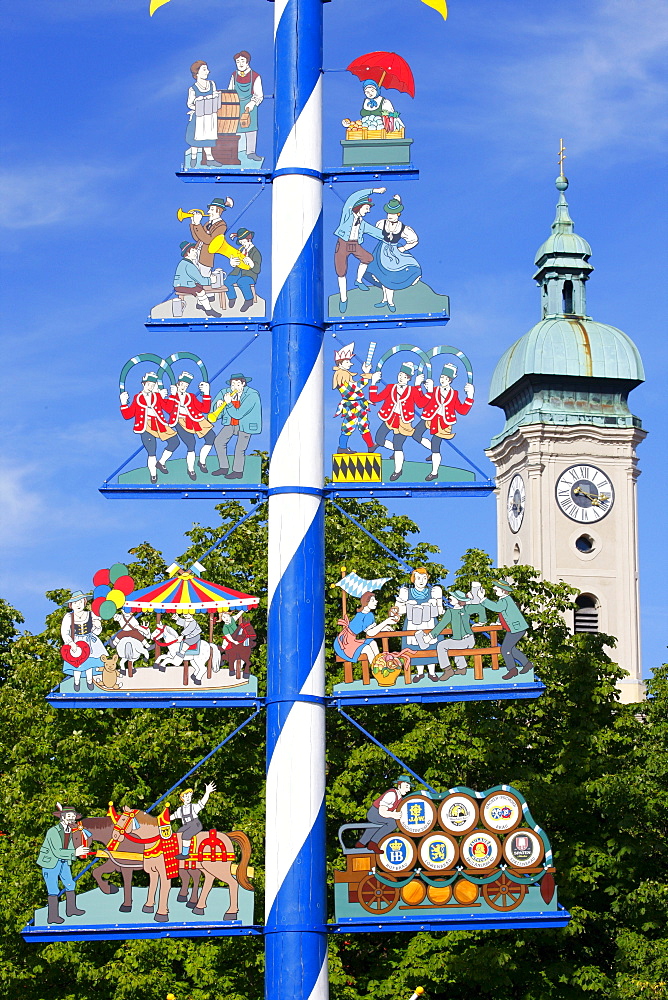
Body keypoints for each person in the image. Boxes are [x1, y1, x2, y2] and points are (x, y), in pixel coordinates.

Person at [414, 362, 475, 481]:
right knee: (416, 434)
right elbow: (421, 403)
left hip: (443, 422)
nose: (443, 380)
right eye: (442, 377)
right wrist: (421, 387)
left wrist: (470, 395)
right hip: (429, 417)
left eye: (446, 378)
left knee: (436, 446)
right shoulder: (434, 389)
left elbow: (462, 410)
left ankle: (434, 471)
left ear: (450, 380)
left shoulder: (454, 394)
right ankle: (432, 452)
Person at [363, 195, 421, 313]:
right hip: (381, 252)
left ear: (398, 214)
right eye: (389, 214)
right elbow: (375, 233)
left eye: (393, 214)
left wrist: (404, 248)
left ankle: (390, 301)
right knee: (382, 276)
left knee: (390, 277)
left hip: (394, 253)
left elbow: (414, 240)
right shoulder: (381, 223)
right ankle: (385, 299)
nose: (390, 217)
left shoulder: (403, 228)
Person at [369, 362, 426, 481]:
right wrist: (373, 382)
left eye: (404, 376)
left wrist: (422, 388)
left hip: (404, 421)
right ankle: (395, 452)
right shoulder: (390, 387)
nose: (401, 378)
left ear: (409, 378)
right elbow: (375, 398)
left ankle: (397, 470)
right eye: (400, 375)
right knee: (379, 438)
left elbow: (421, 404)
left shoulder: (413, 390)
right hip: (389, 417)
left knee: (398, 445)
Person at [334, 186, 386, 313]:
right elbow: (353, 197)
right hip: (343, 244)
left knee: (368, 258)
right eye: (367, 208)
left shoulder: (362, 223)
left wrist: (392, 237)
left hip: (354, 244)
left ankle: (358, 280)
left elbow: (375, 232)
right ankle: (343, 299)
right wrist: (374, 190)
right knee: (341, 272)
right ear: (360, 206)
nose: (368, 211)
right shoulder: (348, 214)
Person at [36, 804, 90, 924]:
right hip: (50, 862)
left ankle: (71, 909)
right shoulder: (53, 831)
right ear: (63, 817)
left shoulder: (69, 830)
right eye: (70, 816)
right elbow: (56, 851)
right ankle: (52, 917)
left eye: (74, 816)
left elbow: (70, 846)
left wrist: (77, 853)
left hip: (64, 861)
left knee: (70, 884)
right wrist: (75, 852)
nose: (72, 818)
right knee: (53, 889)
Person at [418, 589, 488, 681]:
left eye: (452, 597)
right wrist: (431, 636)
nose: (449, 598)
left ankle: (448, 670)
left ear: (458, 600)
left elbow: (480, 608)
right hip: (457, 640)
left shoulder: (466, 609)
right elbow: (441, 625)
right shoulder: (450, 612)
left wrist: (481, 622)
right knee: (453, 645)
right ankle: (461, 668)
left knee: (442, 646)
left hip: (468, 639)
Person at [209, 373, 262, 479]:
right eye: (232, 384)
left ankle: (238, 471)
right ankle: (223, 467)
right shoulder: (225, 392)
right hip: (230, 423)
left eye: (237, 384)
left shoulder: (252, 395)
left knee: (240, 448)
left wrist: (228, 403)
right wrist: (218, 404)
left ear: (243, 384)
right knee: (219, 441)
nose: (234, 387)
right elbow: (213, 412)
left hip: (245, 425)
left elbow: (238, 414)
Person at [395, 568, 444, 682]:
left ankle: (432, 672)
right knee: (415, 647)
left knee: (432, 646)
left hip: (429, 623)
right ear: (413, 579)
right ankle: (420, 672)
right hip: (413, 624)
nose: (421, 581)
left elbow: (440, 610)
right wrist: (405, 607)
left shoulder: (433, 592)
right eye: (418, 578)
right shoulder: (406, 592)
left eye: (424, 578)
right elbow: (398, 610)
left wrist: (435, 606)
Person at [479, 581, 535, 680]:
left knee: (505, 649)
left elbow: (497, 608)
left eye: (496, 588)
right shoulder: (504, 600)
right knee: (510, 648)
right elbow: (504, 614)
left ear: (503, 591)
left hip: (517, 629)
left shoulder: (505, 600)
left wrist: (483, 599)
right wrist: (498, 623)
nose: (494, 590)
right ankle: (527, 664)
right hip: (515, 628)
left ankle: (512, 670)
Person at [165, 371, 214, 480]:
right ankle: (191, 469)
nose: (184, 387)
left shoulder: (190, 396)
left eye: (186, 385)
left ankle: (201, 461)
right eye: (182, 384)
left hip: (195, 420)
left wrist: (206, 393)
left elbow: (204, 409)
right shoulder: (173, 396)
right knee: (191, 444)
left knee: (211, 437)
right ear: (177, 384)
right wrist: (172, 395)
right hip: (180, 421)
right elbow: (168, 409)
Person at [332, 342, 376, 453]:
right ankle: (342, 447)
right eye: (347, 361)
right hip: (351, 407)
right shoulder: (341, 376)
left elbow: (356, 392)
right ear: (340, 363)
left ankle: (371, 446)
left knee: (363, 425)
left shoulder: (345, 375)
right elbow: (355, 388)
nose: (350, 364)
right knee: (348, 427)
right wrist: (367, 375)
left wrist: (364, 400)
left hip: (359, 405)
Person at [333, 591, 400, 664]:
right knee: (367, 648)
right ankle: (376, 670)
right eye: (372, 600)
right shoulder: (361, 616)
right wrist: (385, 622)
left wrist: (384, 627)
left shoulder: (370, 615)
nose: (376, 602)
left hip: (354, 640)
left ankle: (380, 665)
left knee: (373, 643)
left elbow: (371, 629)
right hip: (345, 643)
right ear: (366, 602)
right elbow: (370, 633)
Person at [60, 591, 108, 692]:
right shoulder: (68, 617)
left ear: (85, 602)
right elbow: (65, 633)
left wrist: (97, 626)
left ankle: (89, 681)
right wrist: (71, 643)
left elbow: (97, 632)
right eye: (75, 603)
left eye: (81, 602)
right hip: (76, 642)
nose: (78, 605)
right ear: (71, 605)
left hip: (90, 641)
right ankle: (77, 681)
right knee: (77, 663)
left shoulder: (91, 615)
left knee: (89, 662)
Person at [355, 776, 412, 853]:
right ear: (399, 785)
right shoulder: (391, 794)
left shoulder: (399, 798)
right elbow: (382, 812)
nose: (408, 789)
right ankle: (373, 843)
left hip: (379, 815)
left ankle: (361, 844)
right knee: (392, 823)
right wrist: (394, 815)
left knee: (375, 828)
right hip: (374, 813)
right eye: (406, 786)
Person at [228, 51, 263, 161]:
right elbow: (230, 91)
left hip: (249, 105)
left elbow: (259, 94)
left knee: (251, 129)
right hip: (236, 105)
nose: (240, 63)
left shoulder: (255, 76)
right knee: (236, 129)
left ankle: (251, 152)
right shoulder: (234, 75)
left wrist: (252, 103)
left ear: (247, 62)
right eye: (238, 61)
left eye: (242, 61)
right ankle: (237, 153)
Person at [185, 61, 221, 169]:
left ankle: (209, 158)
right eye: (204, 69)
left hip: (209, 114)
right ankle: (194, 157)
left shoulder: (211, 84)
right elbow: (190, 104)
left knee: (208, 136)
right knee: (196, 137)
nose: (207, 71)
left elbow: (215, 95)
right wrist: (199, 103)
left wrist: (213, 99)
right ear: (197, 72)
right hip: (199, 115)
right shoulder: (193, 88)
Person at [173, 241, 222, 319]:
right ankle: (209, 310)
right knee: (200, 291)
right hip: (182, 285)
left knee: (200, 287)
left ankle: (200, 304)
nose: (195, 252)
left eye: (195, 250)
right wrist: (211, 280)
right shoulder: (188, 265)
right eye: (193, 250)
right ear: (187, 253)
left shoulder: (187, 262)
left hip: (186, 283)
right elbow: (200, 279)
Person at [189, 196, 235, 277]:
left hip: (205, 258)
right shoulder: (208, 224)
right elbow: (198, 238)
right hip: (197, 254)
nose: (209, 212)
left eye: (212, 209)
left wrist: (198, 224)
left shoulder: (221, 225)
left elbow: (209, 240)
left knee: (204, 279)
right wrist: (193, 224)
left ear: (218, 210)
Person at [173, 782, 216, 858]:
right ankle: (179, 851)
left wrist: (207, 792)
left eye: (189, 796)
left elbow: (202, 802)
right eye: (186, 796)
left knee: (186, 835)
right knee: (178, 833)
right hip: (186, 825)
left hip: (195, 824)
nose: (188, 797)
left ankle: (185, 854)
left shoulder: (193, 807)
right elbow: (173, 816)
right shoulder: (180, 809)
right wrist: (161, 819)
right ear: (182, 798)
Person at [224, 228, 262, 312]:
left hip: (249, 274)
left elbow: (257, 269)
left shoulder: (255, 252)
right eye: (241, 242)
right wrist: (232, 263)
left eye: (243, 241)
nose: (242, 244)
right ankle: (232, 297)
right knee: (227, 281)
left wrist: (251, 263)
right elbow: (238, 262)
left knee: (242, 282)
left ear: (249, 239)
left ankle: (249, 300)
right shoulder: (241, 250)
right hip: (238, 272)